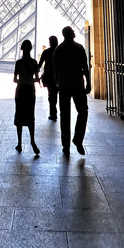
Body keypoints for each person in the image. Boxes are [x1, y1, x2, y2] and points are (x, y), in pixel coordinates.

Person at [53, 25, 90, 156]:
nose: (75, 32)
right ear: (70, 34)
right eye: (73, 31)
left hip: (63, 86)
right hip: (78, 85)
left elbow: (55, 69)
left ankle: (66, 145)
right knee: (83, 111)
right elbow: (85, 67)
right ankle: (78, 139)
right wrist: (89, 82)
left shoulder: (59, 49)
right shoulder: (79, 48)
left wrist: (58, 82)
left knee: (64, 116)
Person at [13, 39, 40, 154]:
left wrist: (21, 81)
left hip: (20, 91)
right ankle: (33, 141)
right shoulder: (34, 63)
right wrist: (32, 79)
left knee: (19, 116)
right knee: (30, 116)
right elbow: (37, 79)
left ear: (22, 49)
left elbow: (15, 79)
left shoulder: (18, 63)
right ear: (31, 49)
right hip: (30, 90)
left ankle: (19, 143)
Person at [37, 34, 59, 121]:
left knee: (51, 95)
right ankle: (55, 112)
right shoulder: (59, 51)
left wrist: (35, 73)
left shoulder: (46, 52)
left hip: (49, 77)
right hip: (58, 77)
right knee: (55, 95)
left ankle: (53, 113)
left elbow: (40, 64)